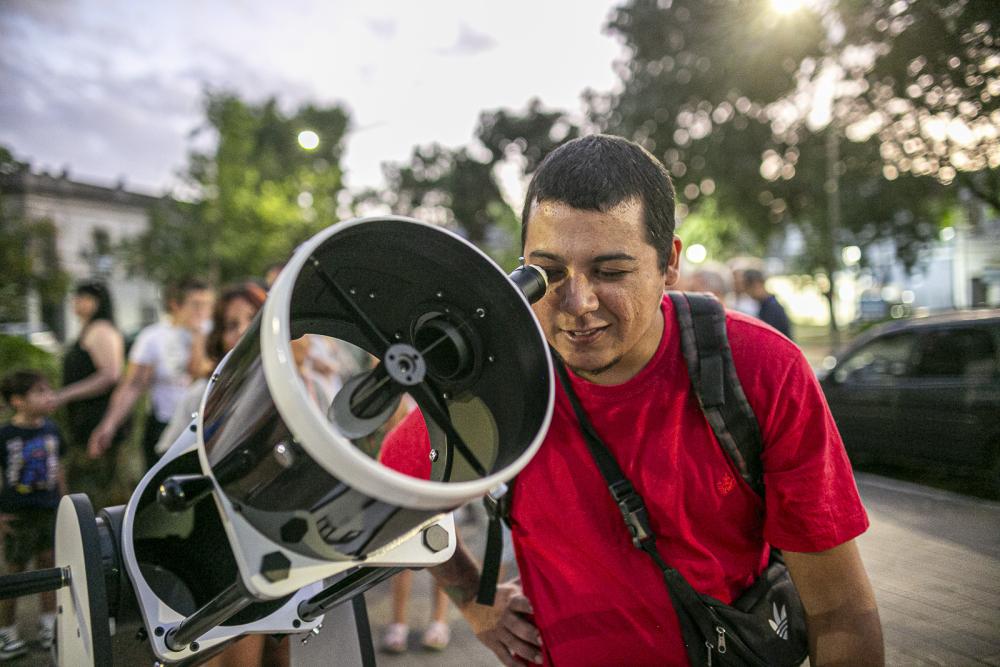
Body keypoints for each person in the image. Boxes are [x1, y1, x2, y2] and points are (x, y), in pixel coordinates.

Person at [382, 135, 882, 666]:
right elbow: (389, 491)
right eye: (547, 271)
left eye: (611, 272)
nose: (577, 304)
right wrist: (475, 600)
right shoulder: (502, 383)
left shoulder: (761, 370)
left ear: (668, 262)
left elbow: (839, 610)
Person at [88, 278, 214, 470]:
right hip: (167, 425)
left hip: (208, 423)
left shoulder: (215, 334)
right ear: (175, 304)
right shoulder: (153, 337)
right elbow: (133, 385)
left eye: (207, 305)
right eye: (196, 305)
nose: (202, 312)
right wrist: (109, 424)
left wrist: (199, 338)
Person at [155, 282, 267, 457]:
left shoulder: (299, 382)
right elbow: (168, 454)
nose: (243, 330)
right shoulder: (203, 394)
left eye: (253, 319)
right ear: (219, 339)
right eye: (231, 325)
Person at [0, 370, 66, 660]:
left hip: (49, 510)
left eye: (48, 390)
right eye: (39, 392)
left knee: (48, 566)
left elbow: (59, 469)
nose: (48, 396)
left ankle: (49, 625)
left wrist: (66, 503)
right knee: (14, 572)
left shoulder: (51, 430)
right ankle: (6, 632)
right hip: (17, 514)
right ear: (18, 401)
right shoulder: (6, 435)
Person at [51, 281, 127, 508]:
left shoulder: (101, 330)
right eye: (76, 297)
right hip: (84, 420)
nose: (77, 302)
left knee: (97, 492)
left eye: (84, 298)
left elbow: (110, 375)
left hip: (98, 420)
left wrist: (65, 395)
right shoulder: (88, 330)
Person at [742, 268, 793, 340]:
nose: (746, 292)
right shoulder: (765, 305)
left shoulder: (772, 308)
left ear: (757, 284)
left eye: (747, 287)